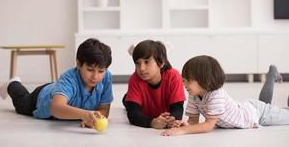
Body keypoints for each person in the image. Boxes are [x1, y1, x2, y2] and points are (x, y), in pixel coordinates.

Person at [0, 38, 113, 129]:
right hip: (42, 96)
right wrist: (84, 115)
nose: (96, 76)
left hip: (58, 89)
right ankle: (13, 83)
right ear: (78, 64)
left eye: (101, 71)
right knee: (21, 103)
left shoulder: (106, 77)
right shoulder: (69, 79)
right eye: (90, 70)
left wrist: (93, 119)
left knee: (61, 90)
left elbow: (104, 109)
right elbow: (56, 108)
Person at [161, 55, 289, 136]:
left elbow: (208, 125)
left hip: (257, 114)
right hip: (248, 108)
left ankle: (272, 77)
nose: (184, 84)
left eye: (188, 81)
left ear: (204, 80)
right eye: (183, 80)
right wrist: (184, 125)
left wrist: (182, 131)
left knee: (278, 112)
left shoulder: (215, 95)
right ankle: (272, 76)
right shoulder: (194, 95)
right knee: (265, 104)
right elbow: (193, 121)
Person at [122, 40, 186, 129]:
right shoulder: (135, 78)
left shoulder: (174, 76)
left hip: (157, 106)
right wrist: (151, 122)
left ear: (161, 63)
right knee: (127, 102)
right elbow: (133, 114)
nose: (141, 68)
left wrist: (173, 120)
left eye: (147, 62)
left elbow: (177, 108)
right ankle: (126, 98)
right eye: (137, 63)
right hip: (142, 106)